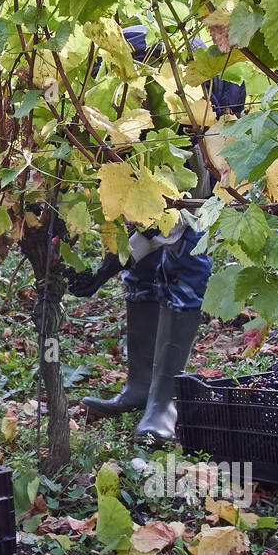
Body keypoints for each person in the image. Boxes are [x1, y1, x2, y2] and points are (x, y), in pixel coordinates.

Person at [76, 26, 246, 441]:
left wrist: (113, 262)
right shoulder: (121, 126)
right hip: (164, 206)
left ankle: (164, 402)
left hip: (193, 210)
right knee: (143, 276)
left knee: (185, 269)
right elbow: (136, 212)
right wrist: (114, 258)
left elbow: (175, 223)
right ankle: (138, 389)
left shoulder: (195, 127)